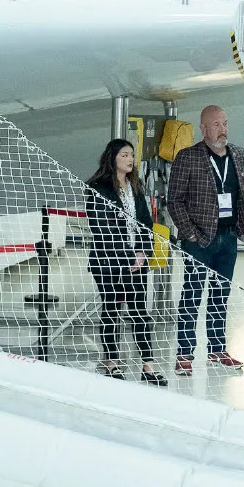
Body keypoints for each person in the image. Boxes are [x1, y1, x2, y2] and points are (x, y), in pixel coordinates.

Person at [165, 105, 244, 376]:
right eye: (215, 124)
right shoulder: (187, 157)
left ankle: (217, 349)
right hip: (198, 239)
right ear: (203, 128)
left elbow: (236, 193)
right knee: (192, 295)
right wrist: (189, 234)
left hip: (228, 237)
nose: (222, 128)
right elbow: (174, 200)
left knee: (220, 295)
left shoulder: (237, 154)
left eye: (224, 123)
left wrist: (236, 231)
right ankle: (184, 353)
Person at [85, 139, 162, 386]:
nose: (130, 159)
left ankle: (148, 366)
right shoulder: (97, 187)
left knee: (140, 312)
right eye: (124, 155)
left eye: (131, 155)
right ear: (113, 158)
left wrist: (142, 253)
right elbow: (100, 227)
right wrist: (126, 256)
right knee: (111, 311)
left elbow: (145, 223)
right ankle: (112, 363)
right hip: (109, 262)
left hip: (136, 261)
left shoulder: (135, 186)